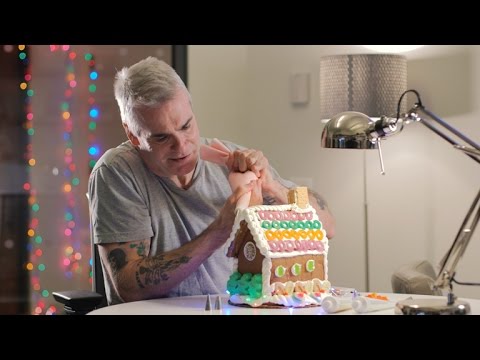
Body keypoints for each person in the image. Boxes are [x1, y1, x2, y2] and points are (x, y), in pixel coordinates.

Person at [88, 56, 335, 305]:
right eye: (162, 138)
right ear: (132, 134)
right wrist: (220, 230)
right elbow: (129, 286)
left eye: (186, 126)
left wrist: (273, 186)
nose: (182, 146)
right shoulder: (116, 173)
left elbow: (327, 229)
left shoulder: (230, 159)